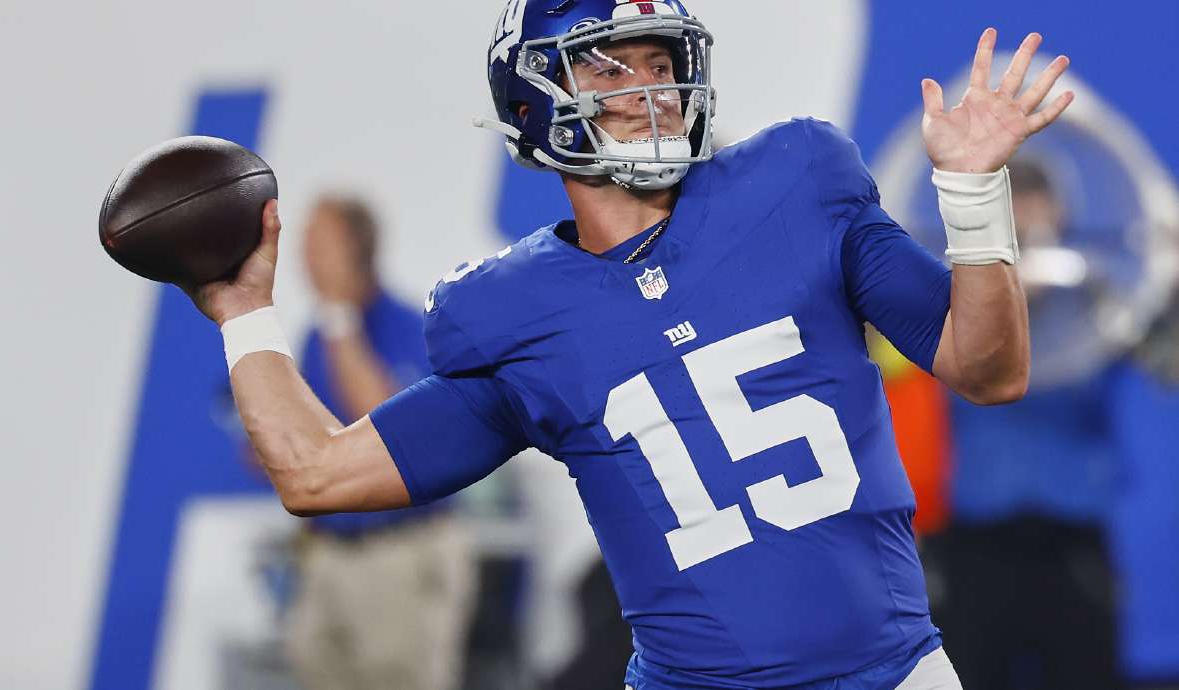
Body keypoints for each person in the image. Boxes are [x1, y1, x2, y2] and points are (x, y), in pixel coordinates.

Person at [182, 2, 1073, 687]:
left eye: (661, 61)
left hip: (893, 672)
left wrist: (973, 197)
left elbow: (989, 370)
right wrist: (244, 312)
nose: (649, 87)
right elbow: (316, 474)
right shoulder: (510, 311)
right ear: (539, 97)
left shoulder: (797, 183)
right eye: (611, 66)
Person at [926, 161, 1123, 690]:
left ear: (1061, 212)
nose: (1028, 213)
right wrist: (1005, 297)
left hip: (1071, 541)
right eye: (1016, 200)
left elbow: (1167, 366)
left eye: (1038, 199)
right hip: (977, 541)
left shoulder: (1100, 302)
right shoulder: (954, 299)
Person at [281, 196, 476, 690]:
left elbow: (392, 432)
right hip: (330, 553)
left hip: (400, 554)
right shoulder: (317, 337)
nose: (304, 257)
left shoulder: (412, 326)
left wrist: (342, 318)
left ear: (356, 248)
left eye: (318, 243)